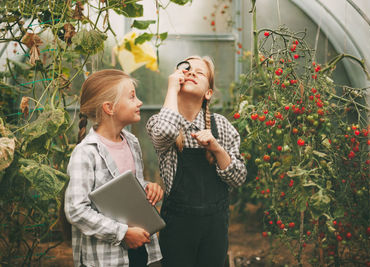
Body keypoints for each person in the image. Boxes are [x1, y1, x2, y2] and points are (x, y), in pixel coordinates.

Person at [146, 56, 247, 267]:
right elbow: (166, 130)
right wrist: (172, 88)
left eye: (199, 72)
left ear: (208, 93)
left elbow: (239, 178)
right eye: (186, 69)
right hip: (177, 228)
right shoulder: (159, 122)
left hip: (215, 228)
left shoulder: (221, 126)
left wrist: (217, 149)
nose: (191, 72)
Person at [64, 69, 163, 267]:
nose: (139, 102)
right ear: (109, 108)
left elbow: (126, 190)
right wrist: (122, 233)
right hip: (105, 258)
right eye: (132, 97)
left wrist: (148, 188)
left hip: (139, 249)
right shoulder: (86, 153)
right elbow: (75, 210)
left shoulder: (132, 142)